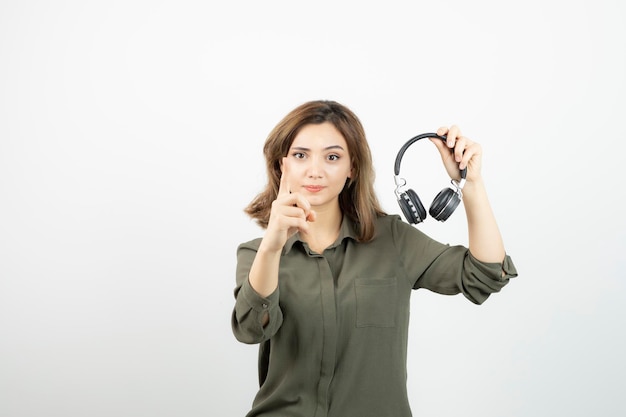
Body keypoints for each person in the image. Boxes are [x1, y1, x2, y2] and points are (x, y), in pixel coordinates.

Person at [231, 100, 518, 417]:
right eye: (301, 155)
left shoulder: (392, 240)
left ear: (351, 167)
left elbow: (485, 275)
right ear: (282, 165)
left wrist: (471, 183)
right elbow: (251, 329)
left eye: (332, 157)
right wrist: (272, 246)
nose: (315, 170)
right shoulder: (257, 253)